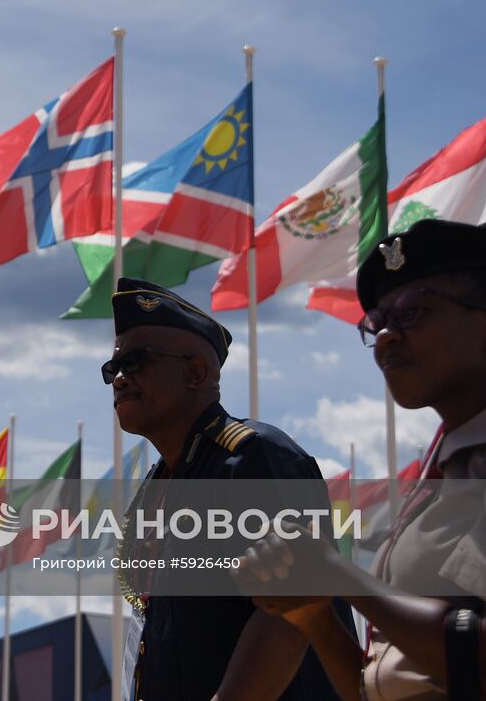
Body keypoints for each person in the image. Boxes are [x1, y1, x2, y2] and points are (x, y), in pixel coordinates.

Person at [233, 220, 486, 699]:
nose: (385, 337)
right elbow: (387, 689)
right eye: (377, 322)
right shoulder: (445, 471)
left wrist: (337, 572)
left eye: (413, 312)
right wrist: (316, 616)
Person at [105, 277, 344, 699]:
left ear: (196, 372)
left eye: (137, 361)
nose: (120, 379)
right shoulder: (159, 484)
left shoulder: (253, 457)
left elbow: (292, 610)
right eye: (113, 369)